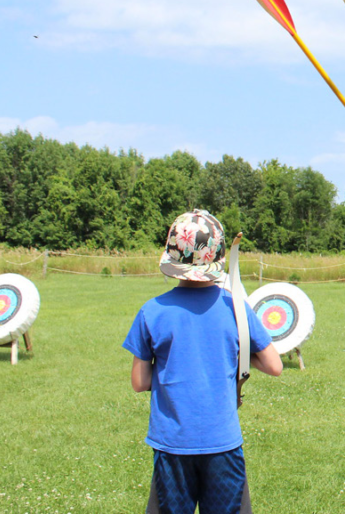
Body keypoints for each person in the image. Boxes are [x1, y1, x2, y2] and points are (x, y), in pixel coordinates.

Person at [124, 209, 283, 514]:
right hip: (222, 444)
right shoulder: (235, 308)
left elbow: (139, 382)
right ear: (218, 255)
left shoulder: (151, 311)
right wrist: (231, 351)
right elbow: (274, 365)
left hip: (172, 445)